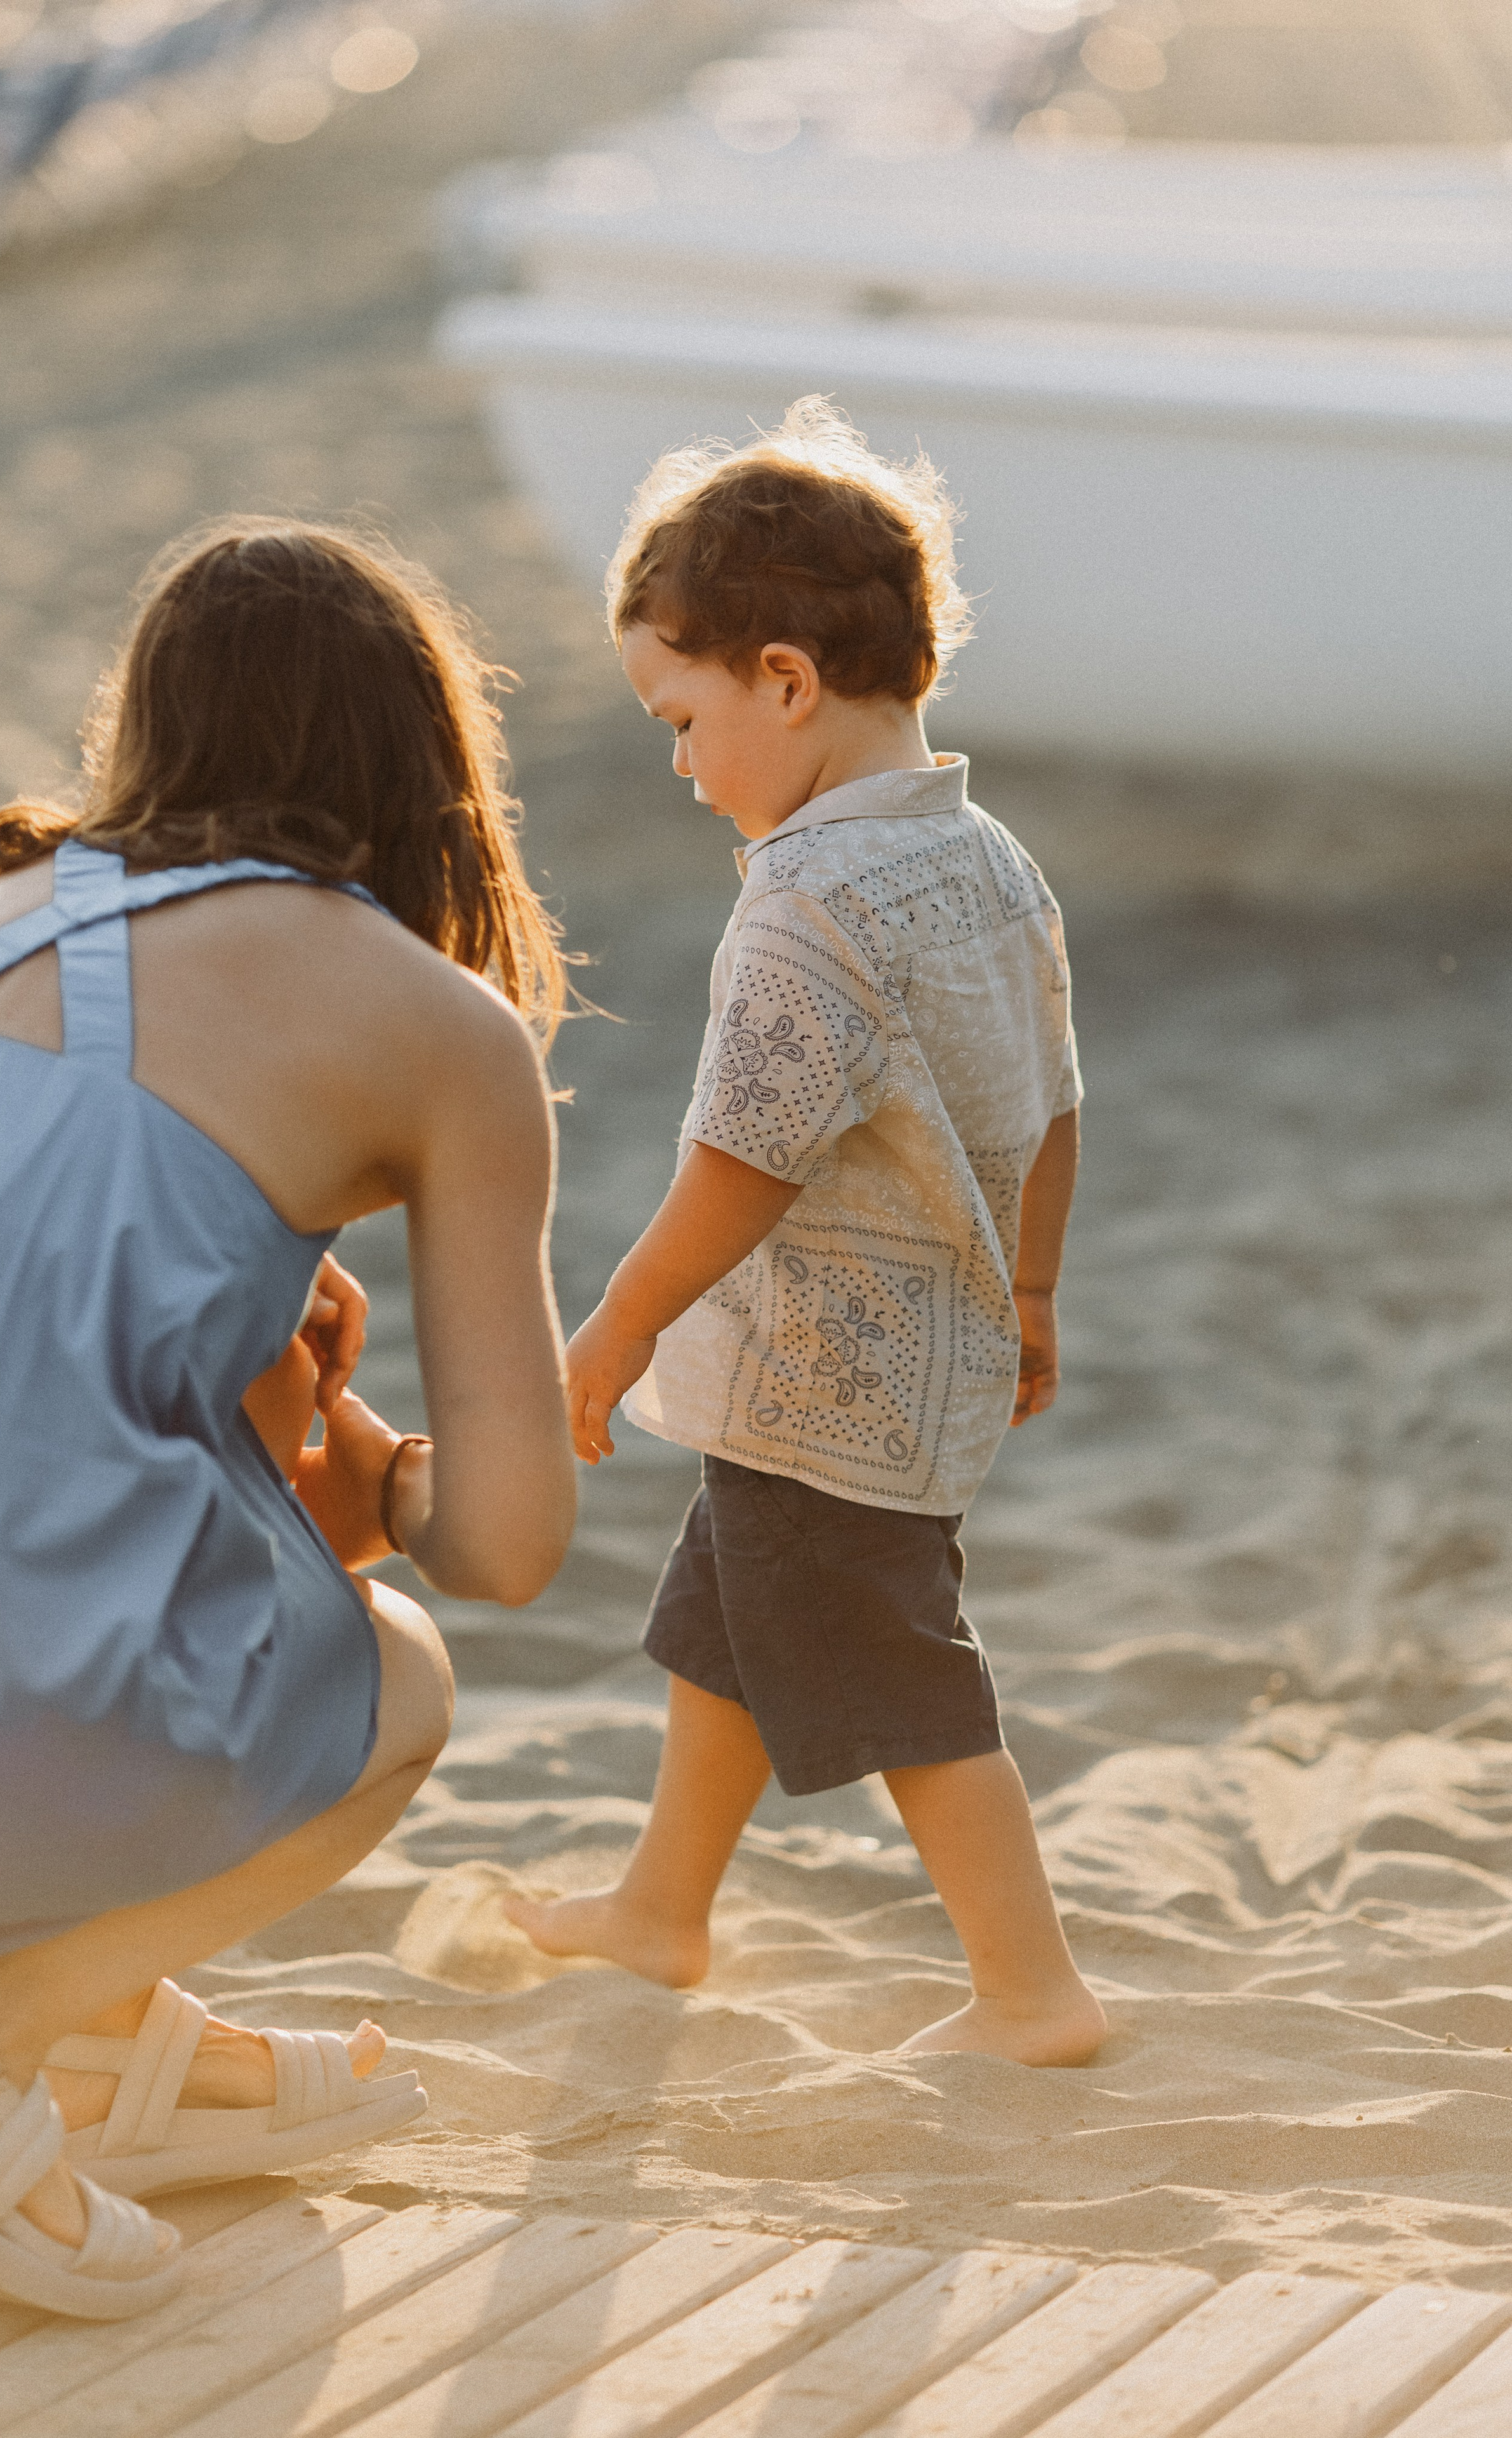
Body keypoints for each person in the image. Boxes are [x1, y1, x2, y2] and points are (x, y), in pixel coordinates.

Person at [0, 523, 575, 2316]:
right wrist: (385, 1477)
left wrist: (251, 1365)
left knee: (152, 1564)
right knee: (396, 1678)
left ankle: (119, 2054)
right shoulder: (438, 1030)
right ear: (426, 763)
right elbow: (509, 1544)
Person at [505, 400, 1105, 2066]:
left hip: (829, 1373)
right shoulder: (992, 863)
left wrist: (616, 1327)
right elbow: (1054, 1102)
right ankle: (663, 1907)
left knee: (899, 1670)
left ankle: (1031, 1995)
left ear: (785, 680)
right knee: (730, 1620)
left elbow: (739, 1161)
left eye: (682, 718)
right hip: (924, 1355)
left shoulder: (808, 899)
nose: (682, 763)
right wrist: (1037, 1290)